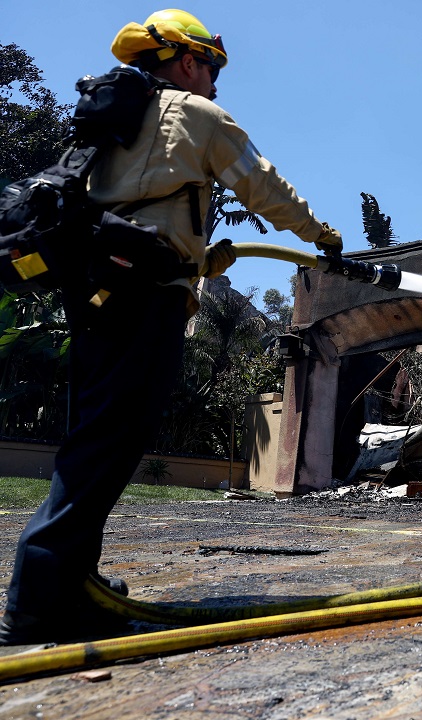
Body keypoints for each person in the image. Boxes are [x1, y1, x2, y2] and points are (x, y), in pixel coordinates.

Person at [0, 9, 343, 645]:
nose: (214, 80)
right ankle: (38, 602)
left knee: (96, 433)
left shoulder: (113, 127)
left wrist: (202, 260)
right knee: (109, 439)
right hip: (143, 297)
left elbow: (133, 210)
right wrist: (323, 237)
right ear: (187, 61)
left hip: (99, 287)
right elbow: (264, 186)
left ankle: (75, 581)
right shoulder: (195, 115)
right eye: (210, 66)